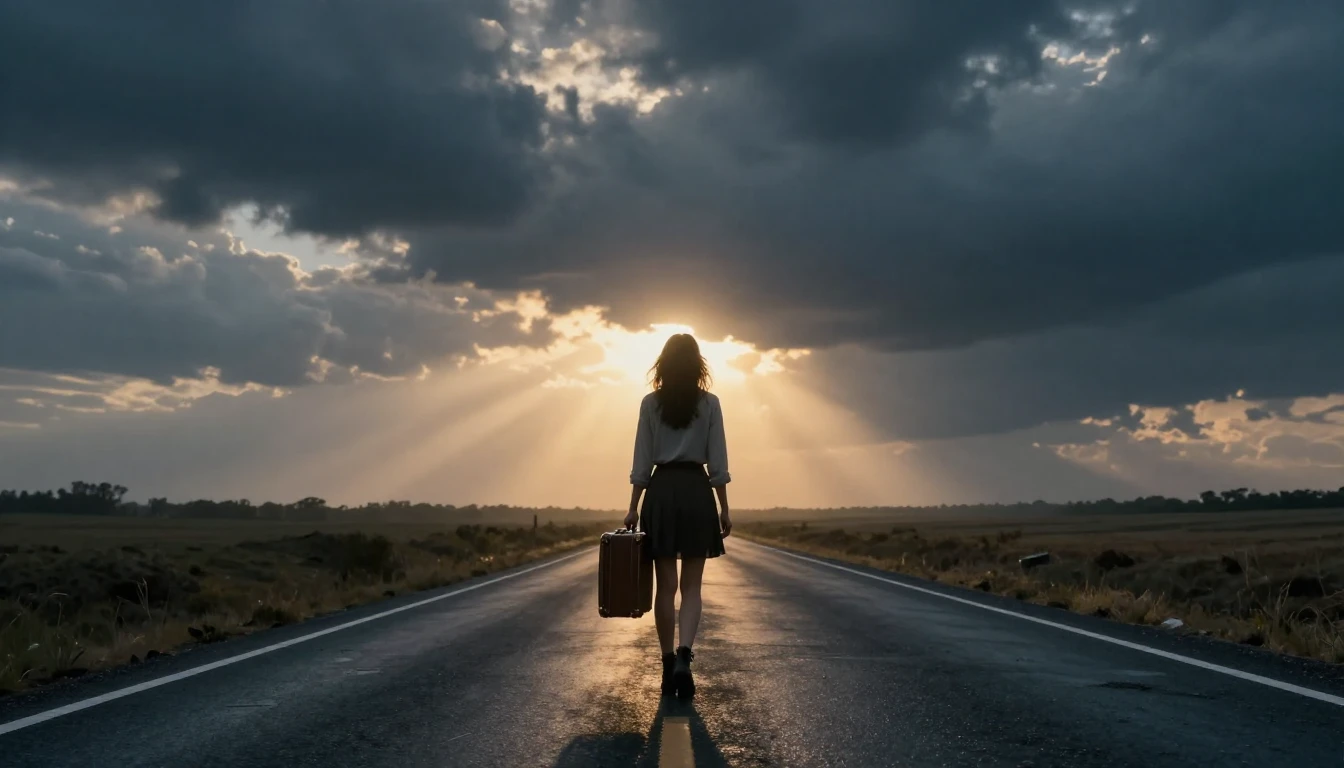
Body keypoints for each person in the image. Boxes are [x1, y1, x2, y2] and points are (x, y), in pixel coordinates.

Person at [625, 333, 732, 699]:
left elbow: (641, 461)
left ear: (664, 364)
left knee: (665, 586)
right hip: (697, 493)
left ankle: (668, 662)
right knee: (692, 588)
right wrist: (724, 506)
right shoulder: (711, 404)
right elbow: (717, 463)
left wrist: (633, 506)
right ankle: (686, 654)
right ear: (697, 364)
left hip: (662, 492)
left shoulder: (650, 404)